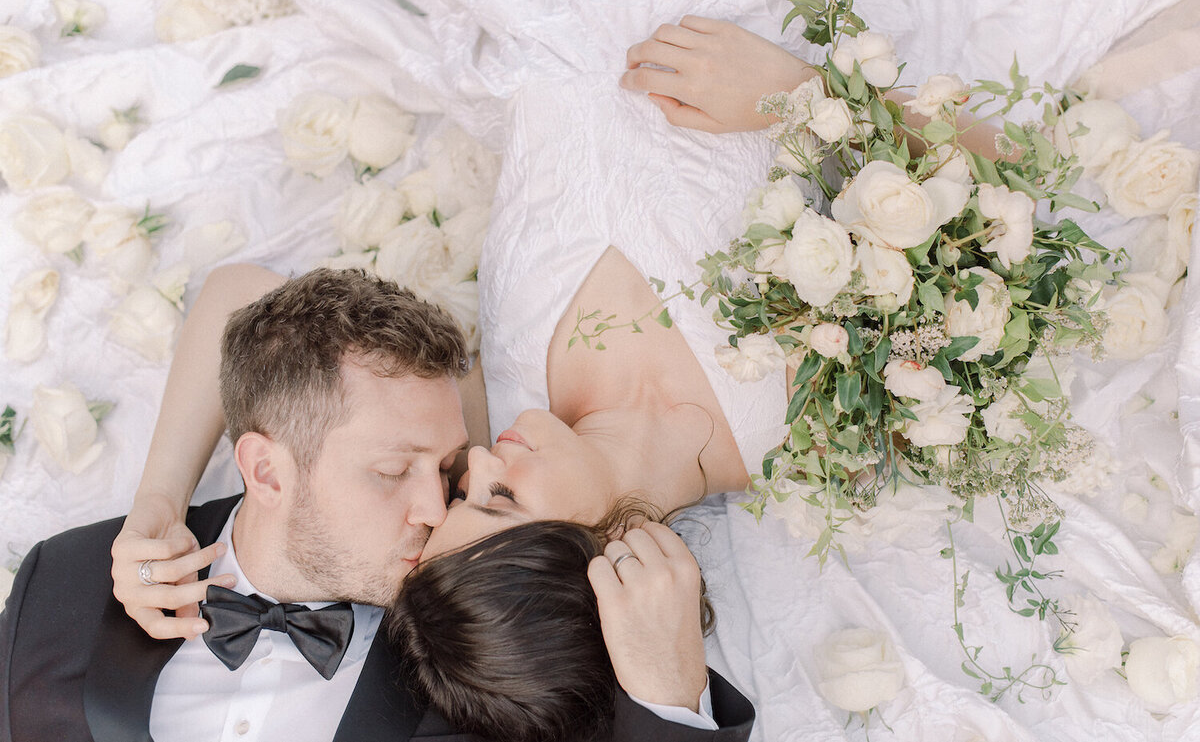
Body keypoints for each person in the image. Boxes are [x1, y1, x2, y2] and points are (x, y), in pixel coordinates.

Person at [0, 267, 753, 742]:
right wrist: (158, 500)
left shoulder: (472, 635)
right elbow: (245, 302)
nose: (434, 506)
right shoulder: (64, 583)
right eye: (393, 471)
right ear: (265, 470)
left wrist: (670, 695)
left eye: (452, 469)